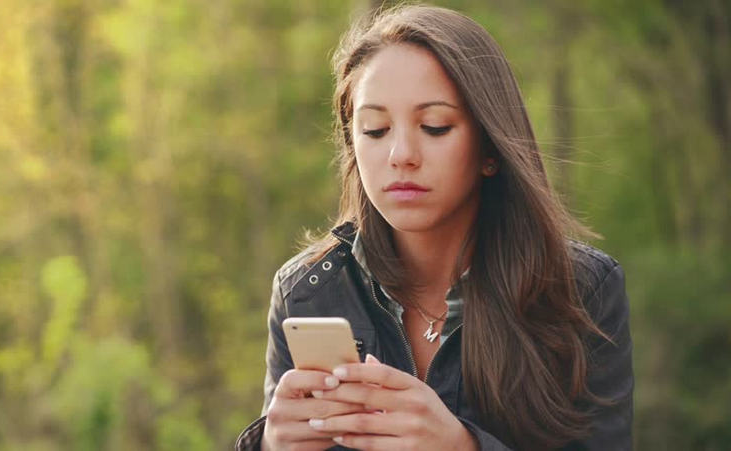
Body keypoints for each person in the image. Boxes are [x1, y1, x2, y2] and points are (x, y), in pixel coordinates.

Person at [236, 4, 633, 450]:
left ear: (490, 147)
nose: (401, 154)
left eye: (435, 126)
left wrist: (463, 446)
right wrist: (269, 444)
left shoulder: (581, 290)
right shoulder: (306, 291)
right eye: (375, 129)